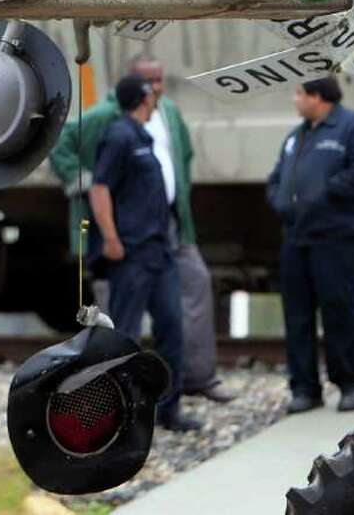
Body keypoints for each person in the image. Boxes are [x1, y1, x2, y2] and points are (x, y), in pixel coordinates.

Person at [50, 54, 234, 404]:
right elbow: (64, 147)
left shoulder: (168, 113)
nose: (159, 88)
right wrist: (86, 186)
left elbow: (184, 157)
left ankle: (196, 378)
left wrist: (175, 197)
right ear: (136, 87)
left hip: (170, 227)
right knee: (121, 316)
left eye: (161, 80)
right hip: (128, 235)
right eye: (151, 82)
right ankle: (116, 397)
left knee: (191, 291)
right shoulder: (107, 118)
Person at [88, 73, 201, 432]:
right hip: (132, 253)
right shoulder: (119, 135)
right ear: (141, 99)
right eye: (151, 95)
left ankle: (169, 409)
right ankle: (121, 417)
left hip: (159, 251)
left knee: (172, 327)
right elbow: (100, 188)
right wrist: (110, 238)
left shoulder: (143, 135)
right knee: (126, 335)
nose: (156, 100)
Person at [266, 76, 354, 414]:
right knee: (297, 317)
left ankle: (348, 384)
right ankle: (304, 388)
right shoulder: (296, 135)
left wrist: (323, 193)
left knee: (339, 311)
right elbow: (276, 178)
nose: (294, 99)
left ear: (317, 97)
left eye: (298, 92)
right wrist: (279, 201)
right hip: (296, 238)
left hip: (336, 236)